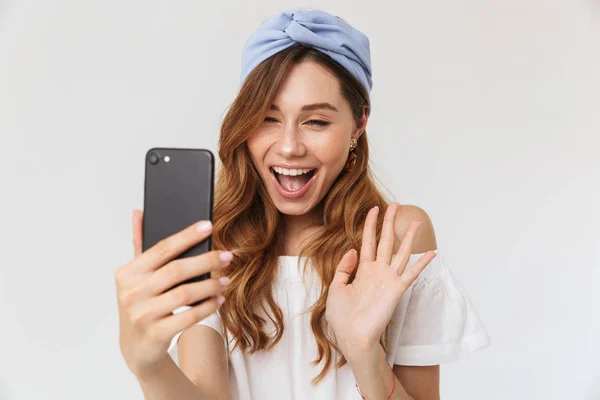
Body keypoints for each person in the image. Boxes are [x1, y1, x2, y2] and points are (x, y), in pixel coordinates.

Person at [115, 8, 491, 400]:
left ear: (358, 124)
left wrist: (365, 354)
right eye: (268, 119)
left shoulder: (396, 237)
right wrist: (148, 366)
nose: (290, 147)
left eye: (316, 122)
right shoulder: (216, 244)